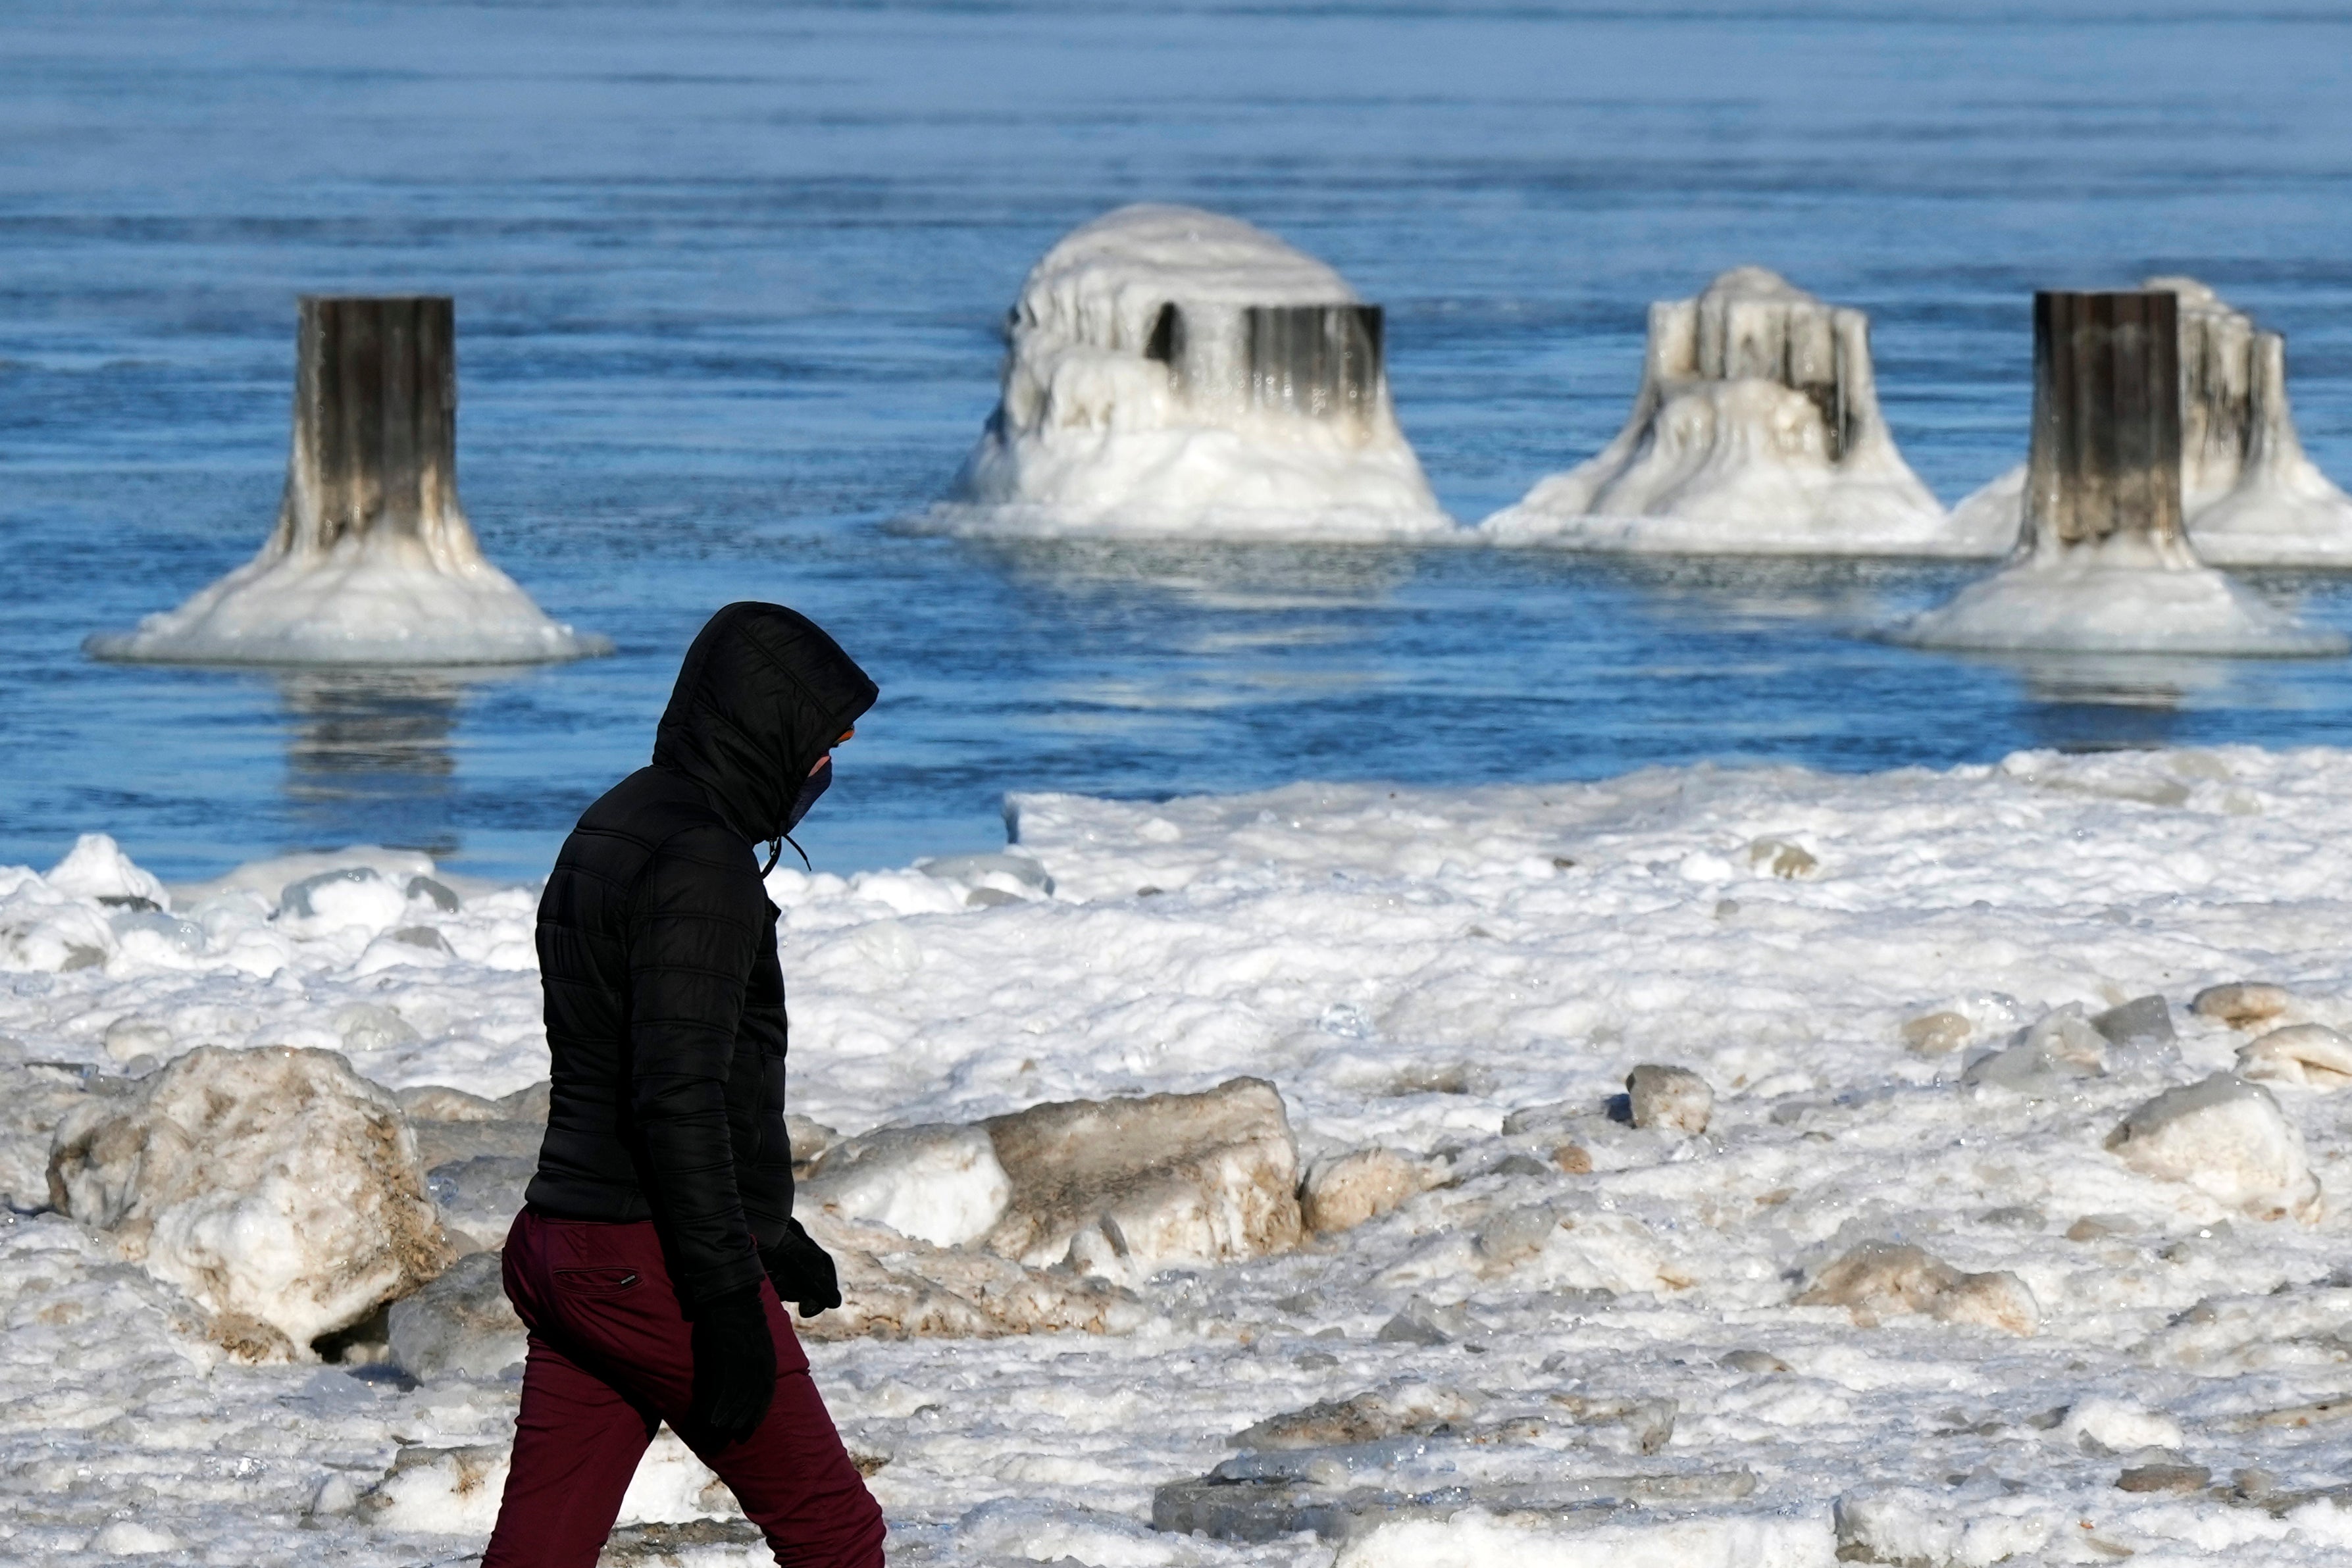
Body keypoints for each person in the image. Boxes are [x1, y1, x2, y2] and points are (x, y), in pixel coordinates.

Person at [482, 602, 884, 1568]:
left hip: (561, 1247)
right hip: (643, 1261)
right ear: (768, 725)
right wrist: (723, 1303)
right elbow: (675, 1096)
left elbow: (627, 1054)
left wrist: (770, 1231)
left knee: (541, 1551)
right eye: (825, 739)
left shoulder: (620, 816)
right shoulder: (702, 864)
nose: (829, 765)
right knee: (835, 1534)